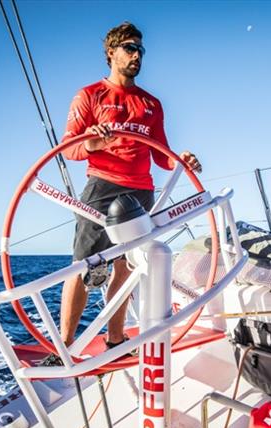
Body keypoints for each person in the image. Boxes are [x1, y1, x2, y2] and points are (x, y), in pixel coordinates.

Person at [59, 21, 201, 348]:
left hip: (140, 191)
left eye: (141, 50)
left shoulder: (151, 104)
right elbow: (69, 147)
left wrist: (181, 160)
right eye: (130, 48)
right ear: (111, 53)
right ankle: (64, 346)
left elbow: (161, 155)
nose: (138, 55)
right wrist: (93, 144)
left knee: (125, 267)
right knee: (82, 267)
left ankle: (115, 337)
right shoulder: (90, 96)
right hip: (102, 186)